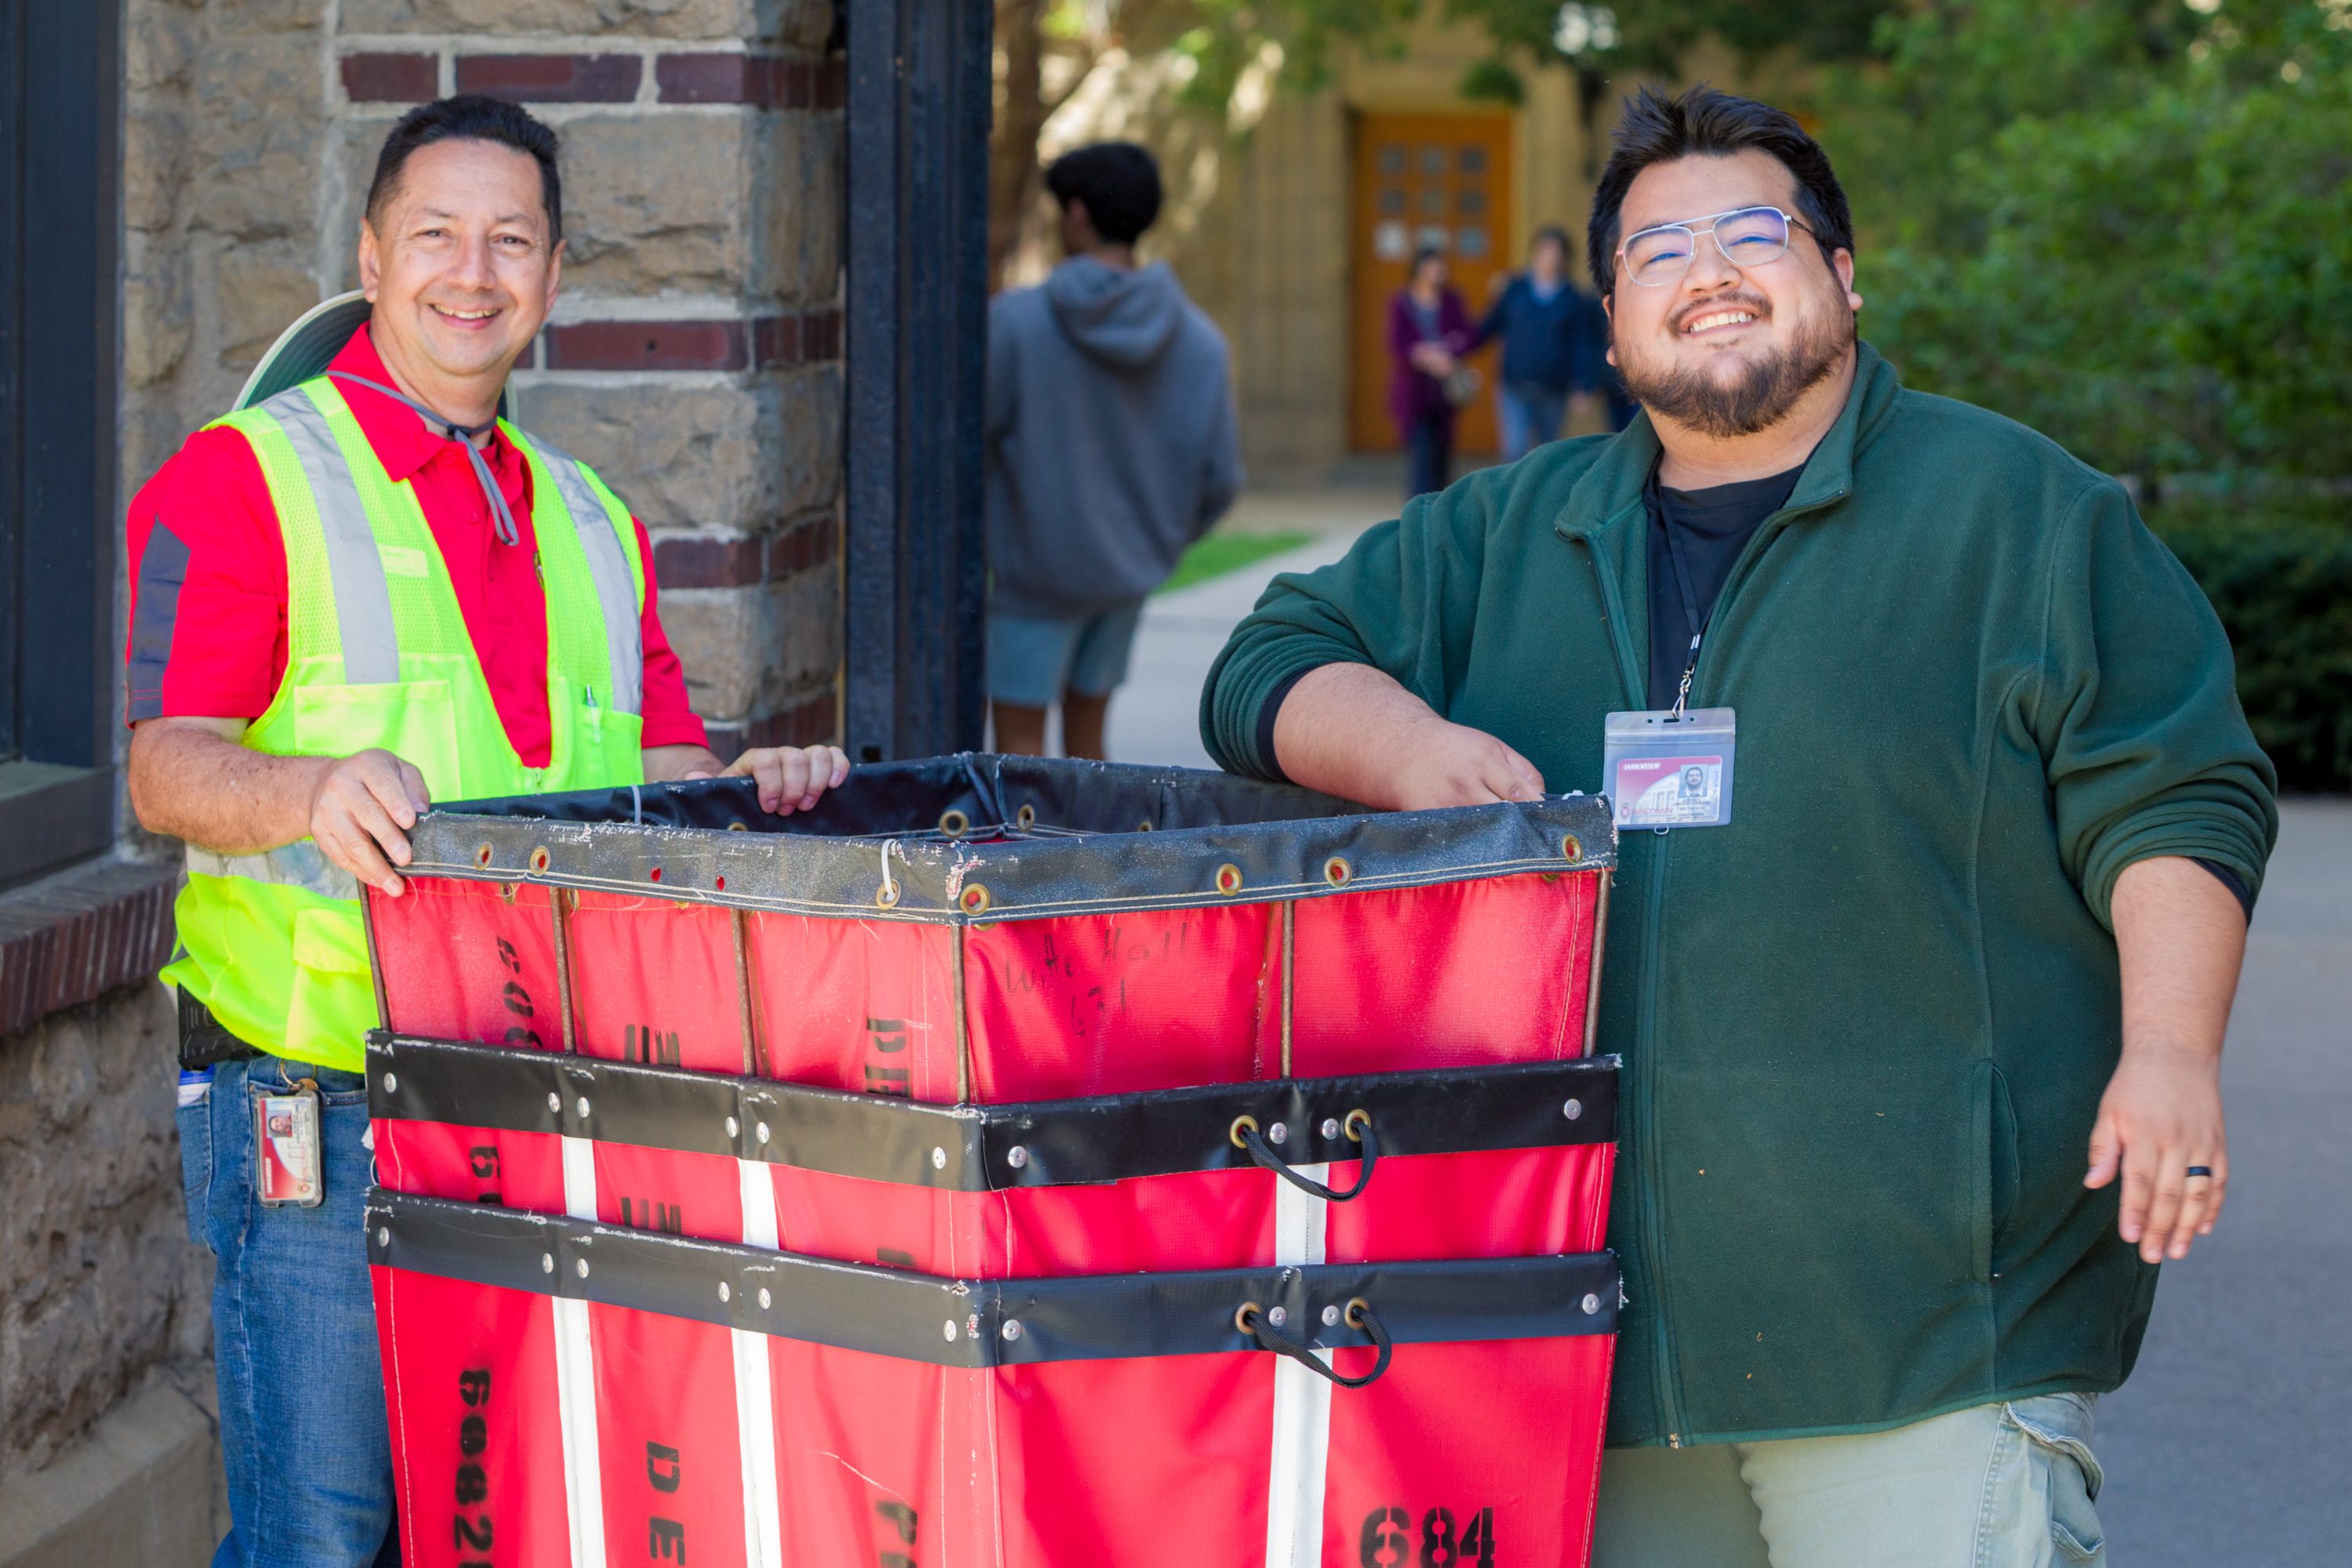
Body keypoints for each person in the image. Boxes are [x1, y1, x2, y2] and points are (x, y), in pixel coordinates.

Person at [1201, 85, 2275, 1566]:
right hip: (1596, 1356)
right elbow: (1263, 665)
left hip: (1931, 1348)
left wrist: (2169, 1054)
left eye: (1752, 232)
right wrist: (1407, 745)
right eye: (1657, 252)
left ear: (1843, 274)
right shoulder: (1510, 529)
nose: (1706, 271)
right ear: (1611, 317)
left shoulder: (2022, 513)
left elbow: (2173, 791)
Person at [124, 96, 849, 1567]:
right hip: (319, 1107)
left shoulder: (592, 521)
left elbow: (655, 794)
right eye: (437, 236)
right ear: (374, 255)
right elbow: (161, 768)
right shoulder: (244, 476)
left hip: (539, 1120)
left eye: (510, 240)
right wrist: (305, 789)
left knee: (512, 1526)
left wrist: (755, 793)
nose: (474, 273)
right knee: (320, 1540)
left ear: (556, 276)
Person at [984, 140, 1241, 759]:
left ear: (1076, 213)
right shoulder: (1201, 340)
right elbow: (1221, 480)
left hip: (1032, 581)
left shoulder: (1017, 322)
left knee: (1015, 766)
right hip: (1126, 576)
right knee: (1090, 759)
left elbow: (965, 447)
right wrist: (1150, 543)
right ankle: (1088, 859)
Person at [1466, 226, 1605, 460]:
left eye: (1556, 254)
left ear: (1565, 259)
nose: (1550, 259)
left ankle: (1540, 498)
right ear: (1534, 254)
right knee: (1515, 450)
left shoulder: (1573, 299)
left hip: (1553, 389)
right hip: (1514, 386)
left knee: (1546, 455)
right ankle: (1513, 498)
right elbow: (1489, 326)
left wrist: (1584, 384)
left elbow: (1582, 344)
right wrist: (1459, 345)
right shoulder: (1514, 289)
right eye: (1545, 252)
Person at [1386, 245, 1475, 498]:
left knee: (1442, 459)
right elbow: (1397, 343)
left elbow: (1468, 335)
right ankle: (1417, 516)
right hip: (1415, 393)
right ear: (1419, 269)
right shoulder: (1402, 302)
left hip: (1445, 394)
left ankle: (1439, 515)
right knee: (1420, 459)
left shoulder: (1452, 300)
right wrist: (1425, 355)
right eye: (1432, 266)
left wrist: (1447, 351)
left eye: (1441, 266)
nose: (1438, 271)